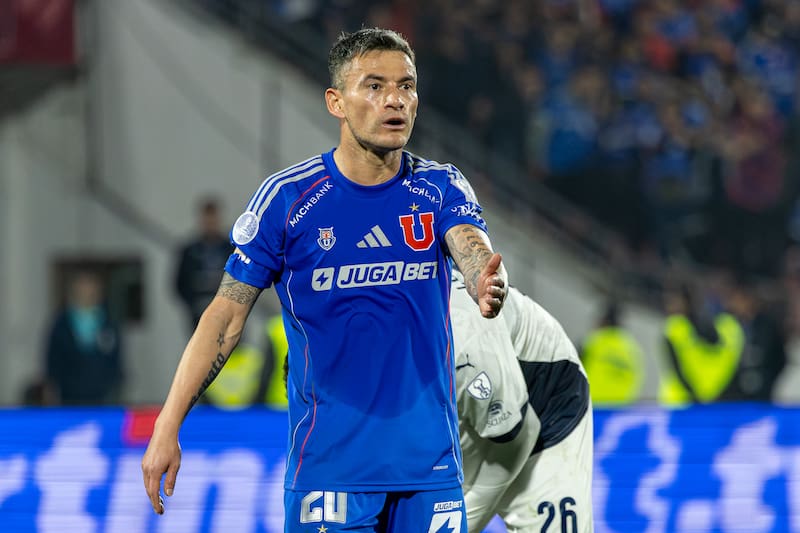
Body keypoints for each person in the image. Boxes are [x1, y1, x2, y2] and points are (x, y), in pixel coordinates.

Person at [141, 27, 507, 532]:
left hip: (430, 471)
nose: (395, 100)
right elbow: (224, 317)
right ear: (336, 102)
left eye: (406, 86)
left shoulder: (438, 186)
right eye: (374, 86)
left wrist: (484, 278)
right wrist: (168, 423)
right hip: (329, 471)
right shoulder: (288, 200)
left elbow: (471, 246)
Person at [450, 271, 593, 533]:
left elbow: (516, 437)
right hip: (468, 404)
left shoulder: (463, 338)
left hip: (545, 400)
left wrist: (464, 521)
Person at [44, 269, 124, 405]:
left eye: (91, 288)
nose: (87, 293)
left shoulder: (109, 323)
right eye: (82, 288)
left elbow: (116, 359)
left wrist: (113, 384)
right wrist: (52, 385)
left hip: (102, 396)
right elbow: (53, 359)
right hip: (69, 395)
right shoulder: (61, 324)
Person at [658, 281, 745, 406]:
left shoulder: (676, 329)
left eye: (673, 300)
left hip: (684, 400)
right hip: (693, 399)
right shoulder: (678, 328)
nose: (669, 305)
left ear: (687, 301)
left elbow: (677, 367)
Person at [173, 196, 234, 333]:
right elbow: (179, 284)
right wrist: (193, 305)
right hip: (199, 315)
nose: (210, 224)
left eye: (213, 220)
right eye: (207, 220)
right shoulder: (190, 251)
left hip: (228, 313)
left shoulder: (230, 249)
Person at [579, 299, 645, 406]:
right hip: (619, 410)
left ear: (604, 321)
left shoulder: (593, 342)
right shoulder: (633, 349)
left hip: (591, 406)